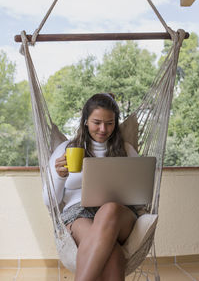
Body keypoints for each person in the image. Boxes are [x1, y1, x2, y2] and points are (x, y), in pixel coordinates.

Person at [44, 93, 138, 281]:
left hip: (118, 215)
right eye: (97, 122)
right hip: (79, 213)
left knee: (109, 208)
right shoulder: (65, 149)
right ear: (86, 121)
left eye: (110, 123)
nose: (103, 129)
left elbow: (140, 190)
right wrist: (60, 178)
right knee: (113, 255)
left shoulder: (126, 151)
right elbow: (49, 202)